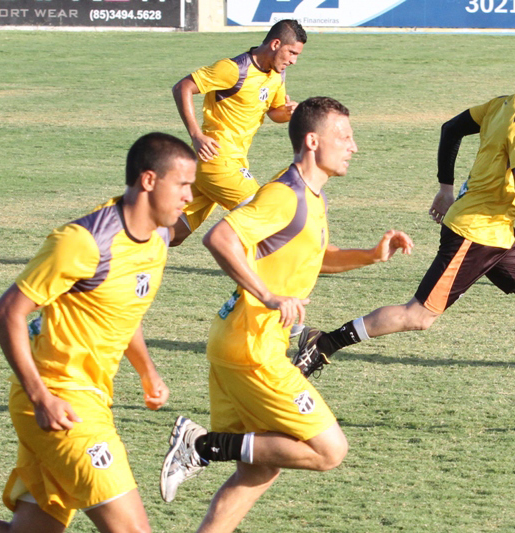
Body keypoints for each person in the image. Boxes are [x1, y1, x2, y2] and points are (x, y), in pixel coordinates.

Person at [293, 52, 515, 432]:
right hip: (474, 234)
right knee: (418, 317)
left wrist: (446, 188)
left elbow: (451, 129)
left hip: (500, 233)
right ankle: (324, 344)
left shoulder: (502, 104)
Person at [158, 97, 413, 532]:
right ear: (313, 141)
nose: (354, 146)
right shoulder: (284, 195)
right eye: (344, 137)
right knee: (329, 450)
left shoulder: (312, 198)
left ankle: (206, 453)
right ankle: (202, 446)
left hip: (241, 340)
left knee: (259, 468)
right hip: (253, 347)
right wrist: (270, 295)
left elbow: (318, 258)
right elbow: (220, 238)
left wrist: (370, 256)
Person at [0, 133, 196, 533]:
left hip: (91, 398)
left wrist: (146, 370)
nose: (189, 197)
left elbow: (121, 310)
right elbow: (7, 312)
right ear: (149, 181)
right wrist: (41, 397)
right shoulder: (84, 241)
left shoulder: (156, 239)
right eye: (183, 184)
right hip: (62, 403)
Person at [169, 18, 307, 247]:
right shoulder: (234, 69)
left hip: (232, 161)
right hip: (218, 159)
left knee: (174, 232)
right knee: (262, 211)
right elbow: (182, 87)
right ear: (275, 44)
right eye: (291, 53)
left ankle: (116, 250)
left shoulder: (276, 74)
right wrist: (196, 135)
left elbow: (275, 112)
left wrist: (289, 112)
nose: (293, 61)